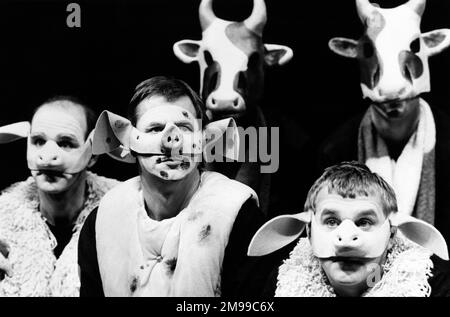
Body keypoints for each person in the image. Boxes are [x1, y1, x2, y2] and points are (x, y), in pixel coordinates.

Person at [78, 76, 265, 297]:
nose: (171, 141)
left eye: (185, 128)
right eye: (155, 129)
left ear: (205, 138)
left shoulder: (239, 216)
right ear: (129, 140)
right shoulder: (102, 221)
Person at [248, 161, 450, 297]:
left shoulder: (429, 285)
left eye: (364, 222)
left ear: (392, 233)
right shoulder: (283, 281)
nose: (345, 238)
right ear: (309, 233)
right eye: (331, 221)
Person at [0, 96, 119, 297]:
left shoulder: (123, 217)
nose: (48, 156)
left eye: (65, 143)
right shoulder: (2, 220)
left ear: (93, 155)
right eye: (38, 141)